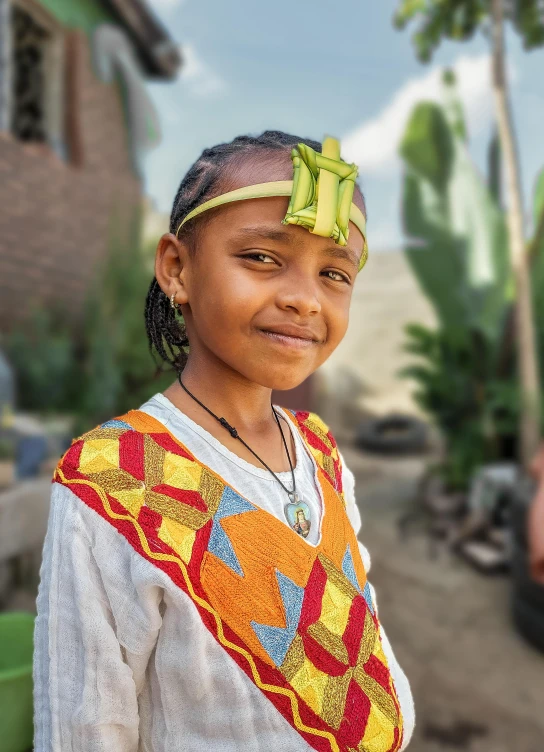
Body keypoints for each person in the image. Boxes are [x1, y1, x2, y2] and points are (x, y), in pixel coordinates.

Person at [33, 131, 415, 751]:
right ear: (176, 268)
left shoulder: (318, 451)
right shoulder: (113, 480)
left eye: (335, 273)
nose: (303, 298)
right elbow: (84, 727)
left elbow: (357, 615)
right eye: (262, 258)